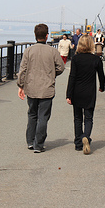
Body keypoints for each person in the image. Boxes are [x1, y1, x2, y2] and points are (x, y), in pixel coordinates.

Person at [17, 23, 65, 153]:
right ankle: (39, 144)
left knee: (32, 114)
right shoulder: (53, 51)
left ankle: (30, 141)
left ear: (35, 35)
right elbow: (61, 67)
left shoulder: (28, 51)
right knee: (43, 116)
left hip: (31, 87)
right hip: (47, 88)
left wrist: (21, 85)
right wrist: (52, 75)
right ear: (47, 36)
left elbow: (23, 70)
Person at [66, 35, 105, 154]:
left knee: (77, 118)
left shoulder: (75, 59)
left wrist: (69, 94)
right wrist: (102, 87)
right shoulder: (96, 59)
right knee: (88, 118)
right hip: (90, 92)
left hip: (77, 92)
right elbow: (101, 76)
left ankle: (78, 143)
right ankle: (86, 136)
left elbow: (72, 77)